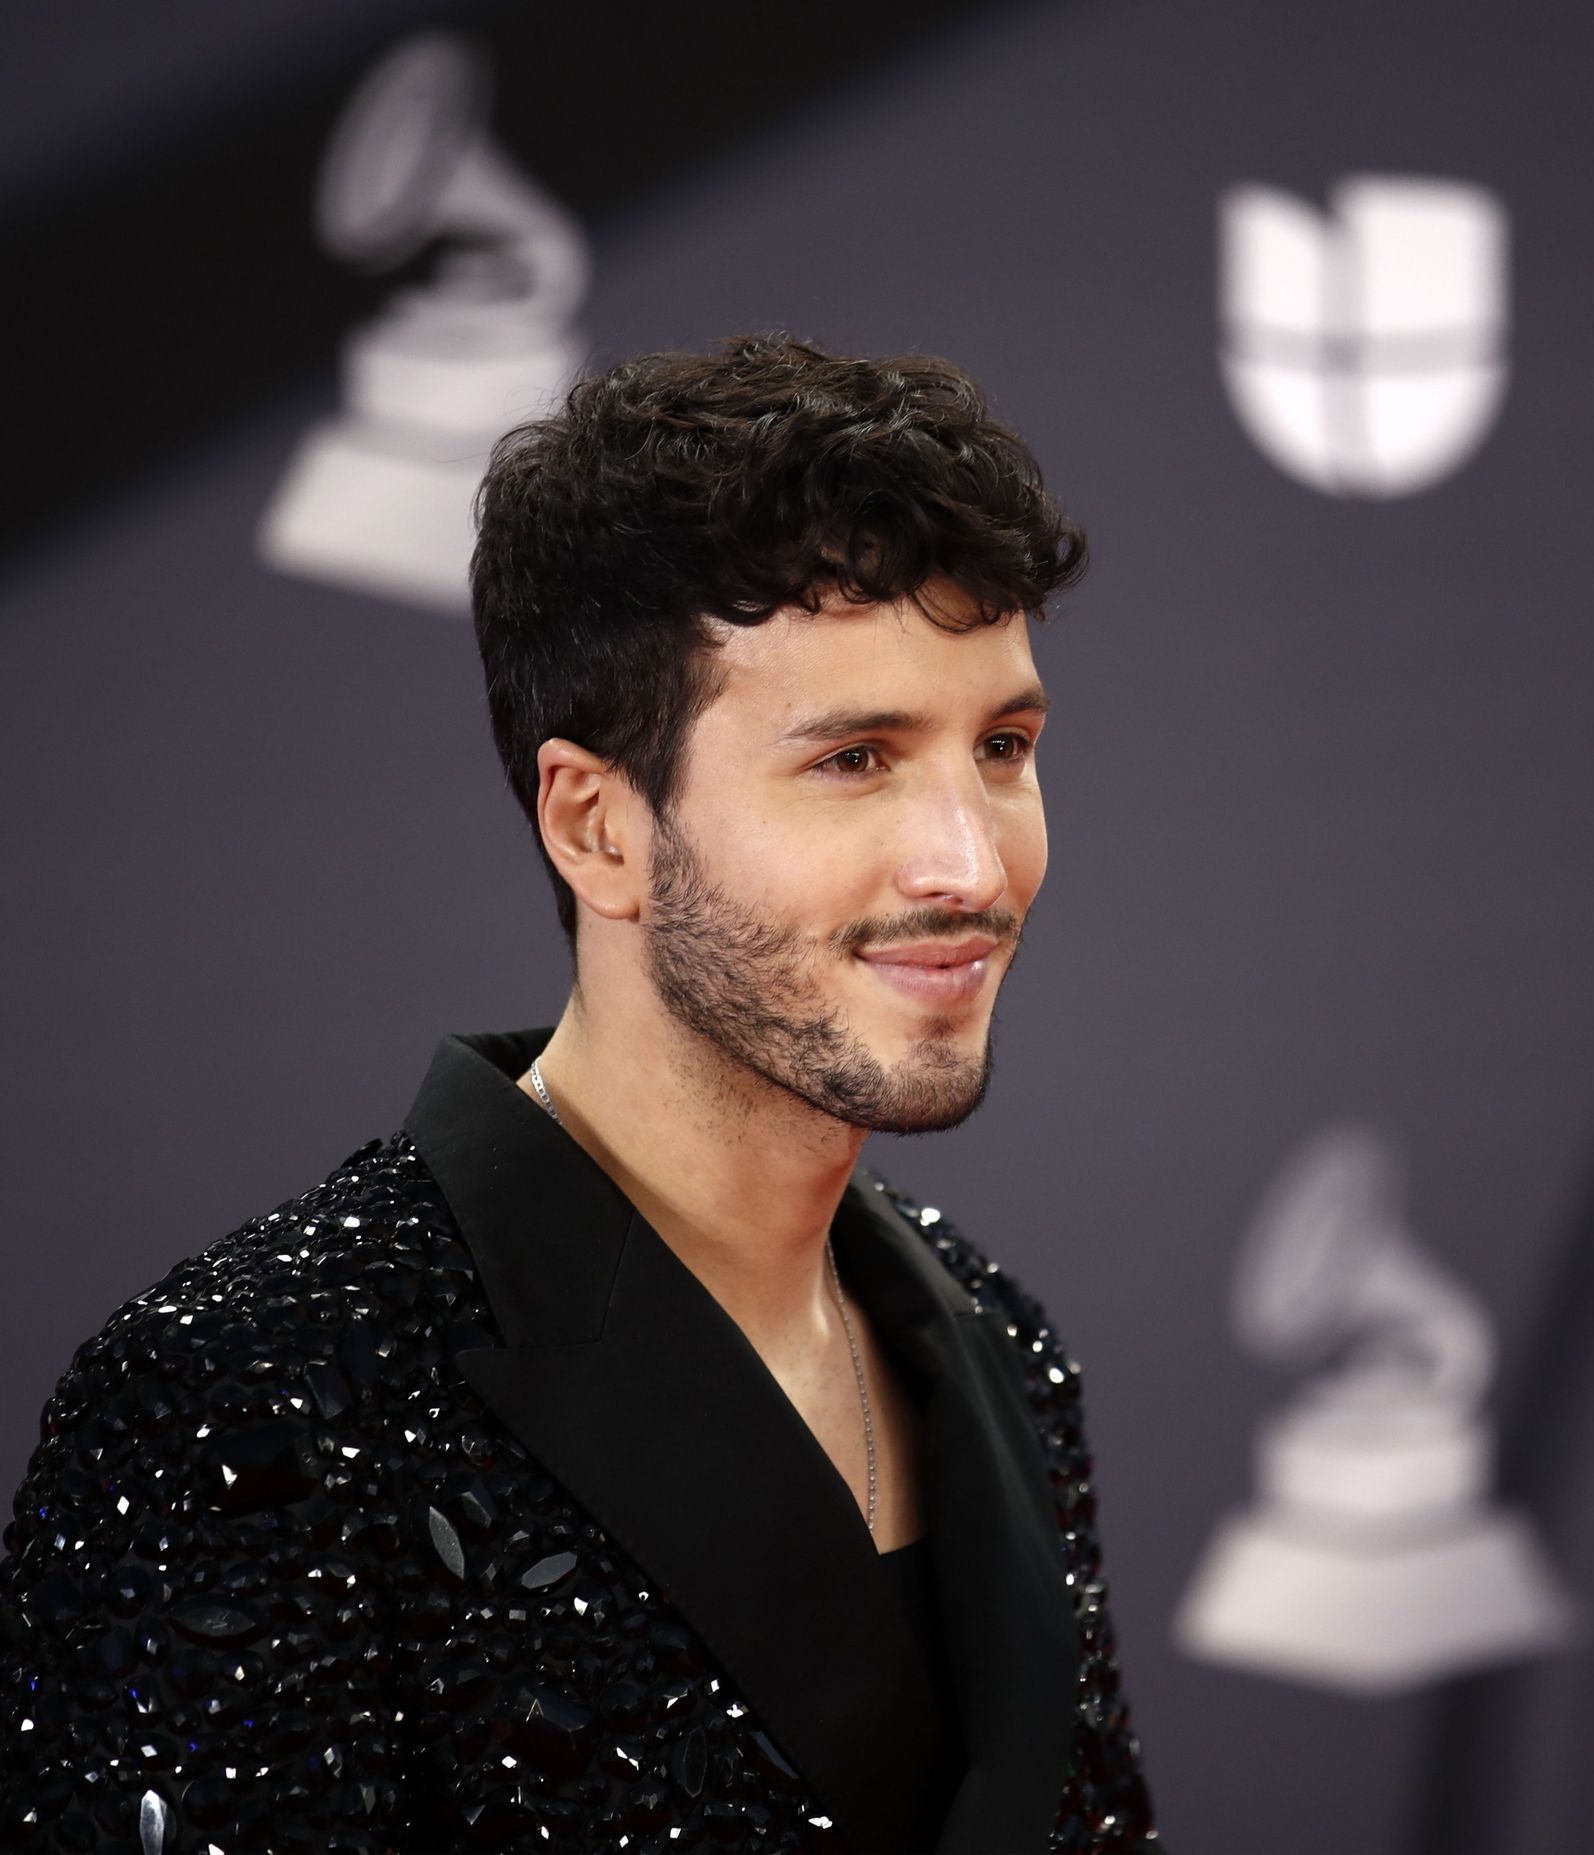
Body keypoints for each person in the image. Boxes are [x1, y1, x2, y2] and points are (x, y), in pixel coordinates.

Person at [0, 335, 1162, 1853]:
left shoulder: (998, 1347)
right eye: (856, 760)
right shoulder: (254, 1396)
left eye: (1003, 747)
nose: (970, 859)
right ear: (599, 827)